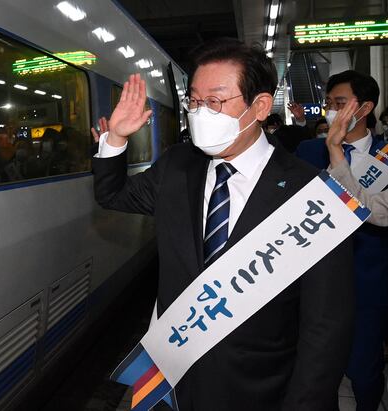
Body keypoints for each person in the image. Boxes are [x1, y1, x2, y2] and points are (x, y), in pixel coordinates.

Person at [92, 38, 354, 411]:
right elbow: (113, 195)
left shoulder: (310, 194)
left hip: (259, 388)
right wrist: (116, 137)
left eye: (214, 102)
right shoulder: (178, 166)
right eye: (194, 102)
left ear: (260, 106)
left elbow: (325, 327)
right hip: (175, 383)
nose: (200, 114)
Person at [295, 69, 388, 411]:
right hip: (314, 283)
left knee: (364, 369)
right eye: (329, 103)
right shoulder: (308, 151)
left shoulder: (385, 157)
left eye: (340, 103)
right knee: (319, 373)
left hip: (368, 283)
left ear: (365, 108)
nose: (332, 111)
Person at [325, 100, 388, 226]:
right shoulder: (309, 149)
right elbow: (372, 208)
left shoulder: (383, 152)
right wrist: (335, 148)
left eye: (340, 103)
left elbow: (372, 211)